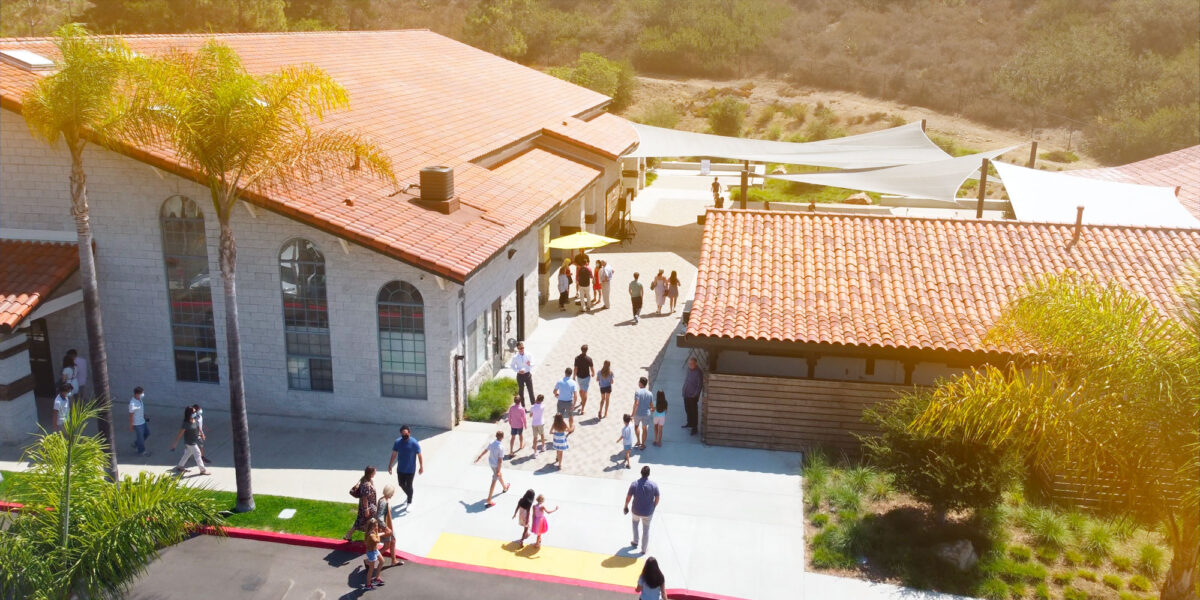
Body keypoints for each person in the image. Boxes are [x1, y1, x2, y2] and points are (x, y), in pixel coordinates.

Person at [624, 466, 660, 554]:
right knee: (646, 530)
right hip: (648, 512)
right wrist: (653, 506)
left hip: (636, 510)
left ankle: (635, 541)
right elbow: (657, 497)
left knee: (635, 524)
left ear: (641, 473)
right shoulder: (654, 485)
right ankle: (644, 549)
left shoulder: (634, 484)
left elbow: (628, 497)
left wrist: (626, 506)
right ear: (649, 474)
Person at [387, 425, 423, 506]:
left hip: (410, 469)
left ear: (409, 433)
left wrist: (421, 466)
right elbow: (394, 454)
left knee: (409, 485)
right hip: (401, 469)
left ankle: (409, 502)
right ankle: (410, 495)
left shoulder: (414, 443)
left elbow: (419, 455)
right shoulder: (397, 442)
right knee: (401, 484)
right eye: (403, 434)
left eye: (406, 434)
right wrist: (390, 465)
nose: (404, 436)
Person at [169, 406, 209, 476]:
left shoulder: (195, 420)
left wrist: (202, 434)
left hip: (194, 440)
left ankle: (180, 466)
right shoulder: (186, 423)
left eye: (195, 411)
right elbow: (180, 434)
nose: (195, 413)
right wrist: (175, 443)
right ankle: (203, 470)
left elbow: (198, 427)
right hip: (190, 442)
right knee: (198, 454)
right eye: (193, 412)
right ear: (189, 413)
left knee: (188, 453)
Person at [473, 431, 510, 507]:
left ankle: (505, 487)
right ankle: (489, 499)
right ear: (502, 437)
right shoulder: (501, 447)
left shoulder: (491, 443)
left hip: (491, 463)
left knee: (499, 476)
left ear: (496, 436)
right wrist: (498, 471)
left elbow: (485, 450)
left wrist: (479, 457)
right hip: (496, 465)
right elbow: (500, 460)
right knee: (494, 481)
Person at [344, 466, 378, 541]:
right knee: (368, 522)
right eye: (374, 472)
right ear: (371, 473)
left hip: (368, 506)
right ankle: (369, 538)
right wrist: (366, 510)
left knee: (361, 522)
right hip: (367, 507)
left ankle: (349, 535)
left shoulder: (367, 480)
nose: (375, 473)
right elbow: (364, 498)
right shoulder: (366, 485)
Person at [376, 484, 403, 567]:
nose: (393, 494)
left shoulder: (383, 499)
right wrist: (386, 528)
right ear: (389, 492)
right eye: (392, 492)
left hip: (388, 526)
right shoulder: (384, 502)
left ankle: (394, 560)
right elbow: (380, 517)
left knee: (393, 541)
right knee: (387, 545)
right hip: (385, 527)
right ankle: (370, 560)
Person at [553, 367, 580, 432]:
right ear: (571, 374)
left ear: (565, 373)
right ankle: (570, 427)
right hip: (569, 402)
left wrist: (557, 395)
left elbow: (554, 391)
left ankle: (560, 428)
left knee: (560, 416)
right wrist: (574, 404)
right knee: (570, 416)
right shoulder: (573, 383)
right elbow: (575, 396)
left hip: (560, 402)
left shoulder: (559, 381)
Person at [682, 357, 703, 436]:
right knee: (687, 409)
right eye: (689, 363)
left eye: (691, 364)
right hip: (686, 393)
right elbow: (687, 379)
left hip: (692, 396)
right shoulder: (689, 369)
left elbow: (699, 385)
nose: (690, 365)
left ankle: (694, 428)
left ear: (695, 364)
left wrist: (695, 395)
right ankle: (689, 423)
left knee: (694, 412)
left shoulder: (698, 372)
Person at [361, 519, 385, 590]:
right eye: (376, 526)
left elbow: (377, 535)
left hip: (375, 550)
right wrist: (379, 533)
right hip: (371, 553)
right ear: (371, 527)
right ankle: (368, 585)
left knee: (382, 561)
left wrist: (382, 533)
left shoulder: (373, 532)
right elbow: (377, 540)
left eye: (377, 525)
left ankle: (376, 579)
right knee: (371, 569)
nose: (377, 527)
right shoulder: (371, 535)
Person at [632, 377, 654, 451]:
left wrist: (633, 413)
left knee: (636, 426)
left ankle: (638, 441)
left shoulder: (637, 392)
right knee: (644, 429)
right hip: (646, 414)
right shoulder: (650, 393)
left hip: (638, 413)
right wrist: (652, 409)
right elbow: (651, 405)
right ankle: (643, 444)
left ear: (641, 383)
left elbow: (636, 403)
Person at [129, 386, 150, 456]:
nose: (143, 395)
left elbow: (141, 410)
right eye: (142, 393)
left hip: (143, 421)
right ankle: (142, 451)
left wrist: (144, 416)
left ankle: (136, 444)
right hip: (137, 424)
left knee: (147, 433)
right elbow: (131, 415)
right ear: (136, 394)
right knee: (140, 438)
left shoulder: (140, 400)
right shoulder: (132, 404)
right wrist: (131, 425)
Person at [510, 342, 533, 406]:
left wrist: (530, 364)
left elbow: (533, 363)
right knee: (521, 391)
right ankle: (523, 406)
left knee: (530, 390)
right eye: (520, 348)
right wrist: (518, 371)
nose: (522, 349)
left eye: (522, 347)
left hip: (527, 374)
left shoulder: (528, 355)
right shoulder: (515, 357)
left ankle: (533, 405)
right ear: (517, 348)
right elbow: (512, 365)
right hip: (520, 375)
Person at [573, 345, 594, 415]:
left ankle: (582, 401)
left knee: (581, 390)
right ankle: (582, 409)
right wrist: (593, 373)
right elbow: (591, 368)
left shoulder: (577, 358)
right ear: (587, 350)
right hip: (586, 377)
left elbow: (575, 368)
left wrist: (574, 376)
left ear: (581, 350)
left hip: (579, 377)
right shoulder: (589, 359)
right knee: (584, 392)